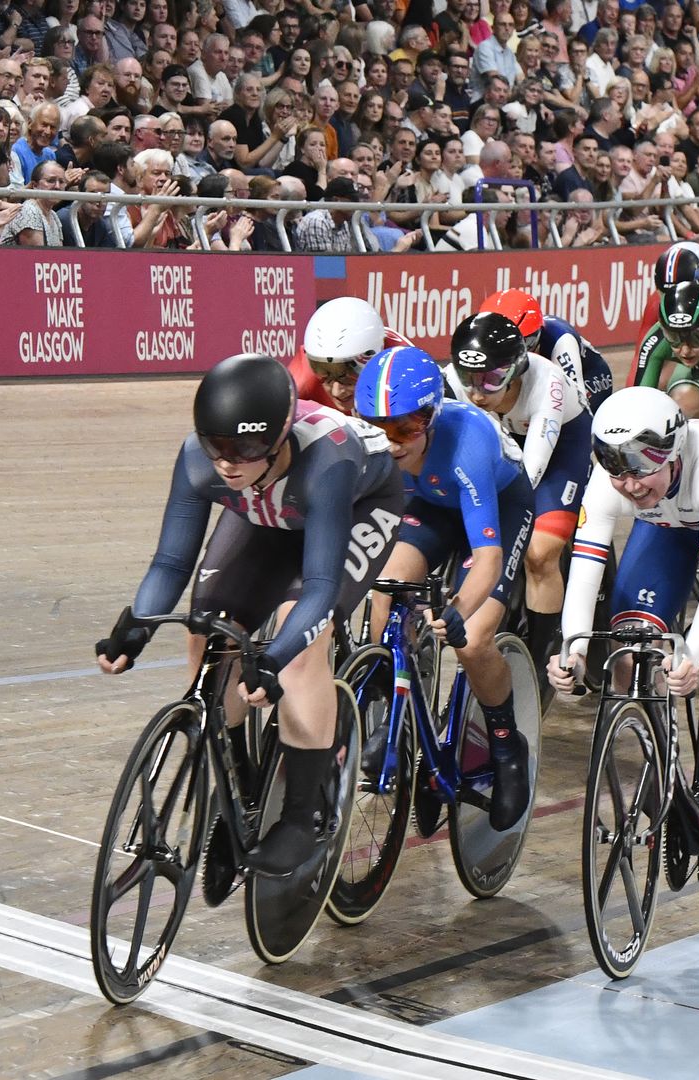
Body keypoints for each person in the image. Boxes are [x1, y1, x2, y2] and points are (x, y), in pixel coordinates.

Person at [95, 354, 405, 877]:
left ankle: (302, 818)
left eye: (246, 448)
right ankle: (238, 785)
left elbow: (322, 588)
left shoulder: (328, 461)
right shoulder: (199, 459)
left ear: (280, 438)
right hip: (268, 511)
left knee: (300, 647)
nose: (227, 463)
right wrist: (137, 625)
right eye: (217, 446)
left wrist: (277, 654)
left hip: (354, 507)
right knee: (206, 628)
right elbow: (172, 562)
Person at [547, 387, 699, 877]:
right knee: (628, 654)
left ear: (674, 452)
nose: (630, 485)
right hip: (667, 531)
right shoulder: (609, 481)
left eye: (640, 468)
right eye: (618, 470)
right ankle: (663, 770)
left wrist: (693, 655)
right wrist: (571, 649)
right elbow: (586, 570)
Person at [354, 347, 535, 831]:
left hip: (497, 504)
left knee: (473, 639)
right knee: (386, 588)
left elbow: (490, 559)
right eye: (379, 428)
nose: (391, 444)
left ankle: (504, 742)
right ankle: (399, 719)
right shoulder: (376, 447)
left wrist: (457, 609)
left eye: (406, 429)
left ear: (431, 418)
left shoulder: (468, 442)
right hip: (431, 504)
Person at [444, 311, 595, 682]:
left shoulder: (548, 384)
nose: (477, 393)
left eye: (492, 381)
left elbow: (528, 475)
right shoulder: (450, 381)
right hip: (502, 437)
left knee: (540, 553)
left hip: (559, 447)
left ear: (516, 369)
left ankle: (543, 655)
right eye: (469, 381)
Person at [477, 288, 615, 412]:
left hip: (589, 378)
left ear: (537, 333)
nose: (512, 353)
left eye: (524, 343)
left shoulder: (562, 341)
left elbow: (576, 401)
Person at [636, 280, 699, 422]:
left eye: (696, 337)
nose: (685, 351)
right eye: (673, 337)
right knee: (682, 405)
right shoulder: (655, 339)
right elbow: (640, 399)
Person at [293, 296, 415, 414]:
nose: (337, 392)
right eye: (323, 371)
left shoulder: (404, 367)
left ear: (374, 358)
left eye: (346, 376)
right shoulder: (304, 376)